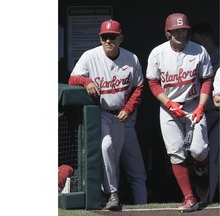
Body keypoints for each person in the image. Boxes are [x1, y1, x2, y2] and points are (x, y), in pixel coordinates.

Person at [68, 19, 144, 211]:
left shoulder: (131, 58)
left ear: (121, 38)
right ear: (100, 39)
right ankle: (112, 193)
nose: (108, 41)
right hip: (100, 113)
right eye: (104, 37)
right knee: (106, 145)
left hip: (121, 115)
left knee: (115, 157)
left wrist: (128, 108)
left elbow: (139, 86)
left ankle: (126, 199)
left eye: (112, 37)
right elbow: (72, 78)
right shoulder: (90, 56)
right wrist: (86, 81)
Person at [146, 13, 214, 212]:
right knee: (176, 153)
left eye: (183, 29)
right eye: (176, 30)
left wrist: (201, 106)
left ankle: (201, 172)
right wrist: (168, 103)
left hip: (193, 104)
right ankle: (189, 198)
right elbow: (152, 82)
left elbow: (207, 79)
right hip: (169, 108)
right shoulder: (158, 53)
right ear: (168, 32)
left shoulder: (199, 51)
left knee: (199, 150)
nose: (180, 33)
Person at [191, 22, 220, 203]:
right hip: (206, 113)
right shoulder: (202, 59)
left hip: (218, 114)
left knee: (216, 157)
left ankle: (210, 198)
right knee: (203, 155)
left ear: (207, 38)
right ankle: (207, 197)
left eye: (198, 41)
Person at [120, 110, 148, 204]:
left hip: (127, 127)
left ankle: (142, 207)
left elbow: (136, 96)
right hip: (106, 124)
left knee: (137, 174)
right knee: (107, 171)